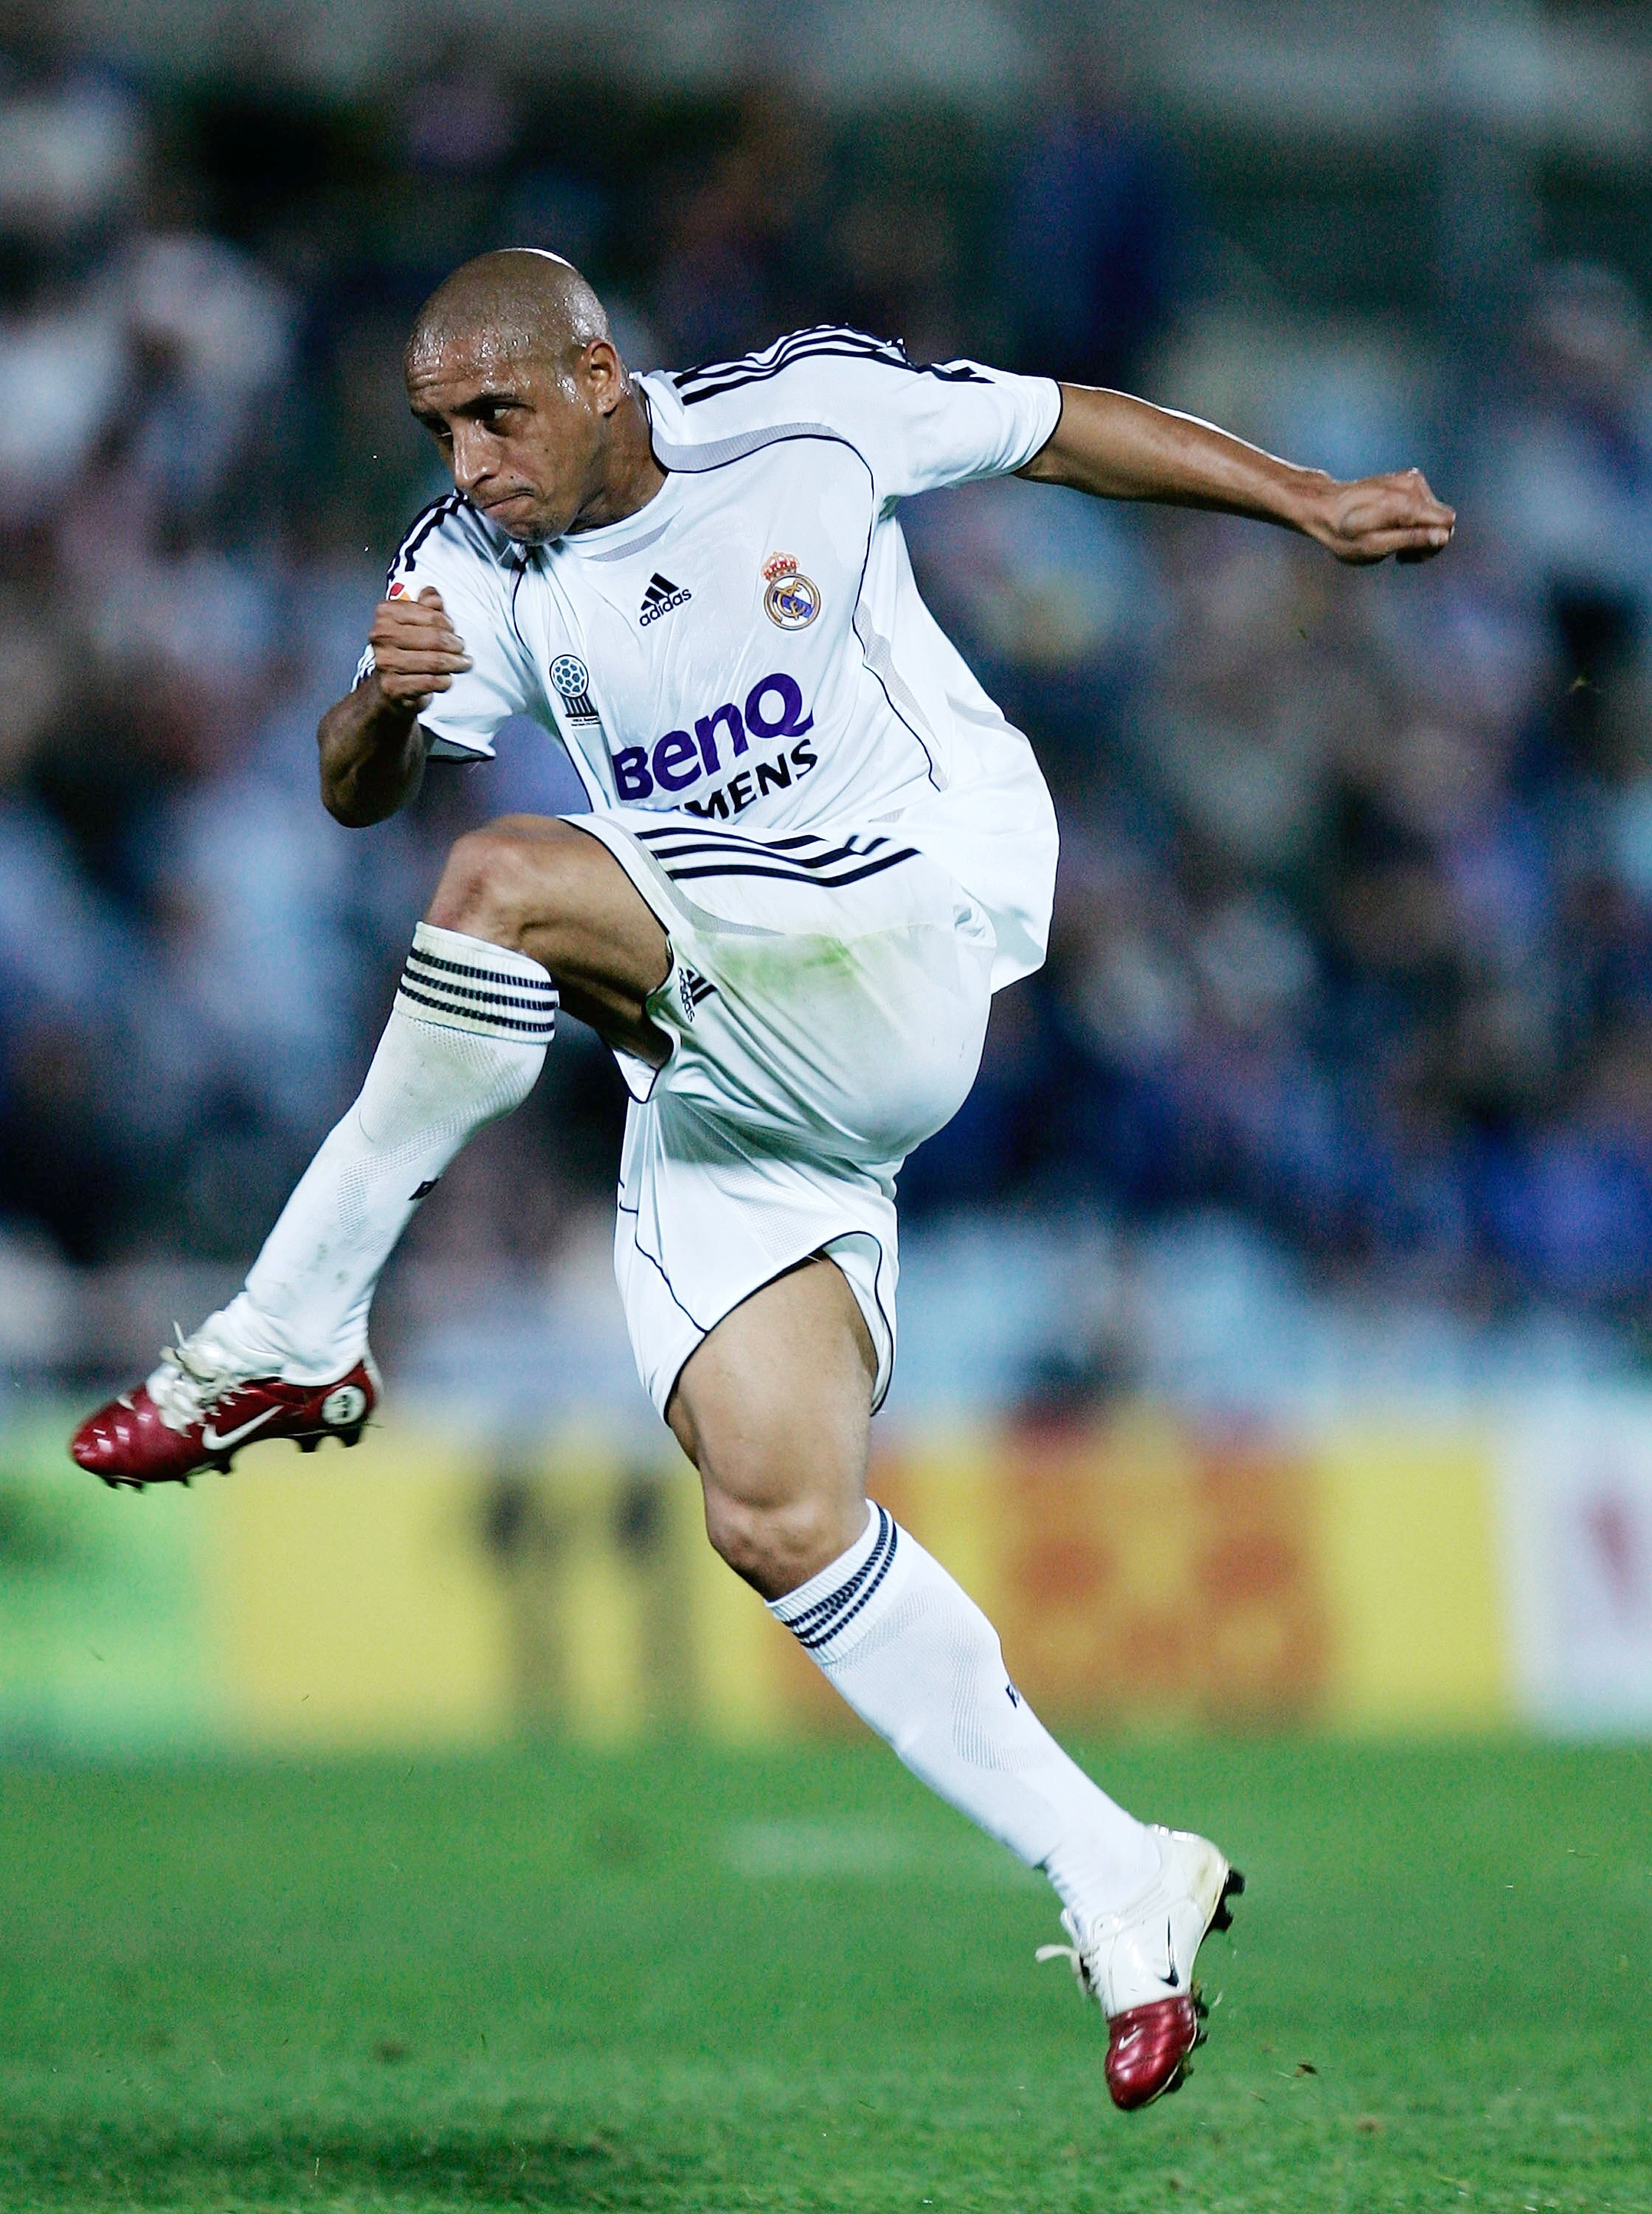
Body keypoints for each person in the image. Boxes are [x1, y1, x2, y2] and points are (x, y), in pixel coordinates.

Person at [71, 249, 1454, 2111]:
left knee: (504, 889)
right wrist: (386, 707)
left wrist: (1301, 499)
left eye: (496, 415)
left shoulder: (798, 418)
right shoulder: (465, 568)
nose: (469, 462)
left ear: (594, 374)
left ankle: (288, 1325)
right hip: (733, 1043)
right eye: (438, 429)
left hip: (907, 931)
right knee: (780, 1514)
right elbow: (351, 787)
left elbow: (1052, 430)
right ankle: (1120, 1870)